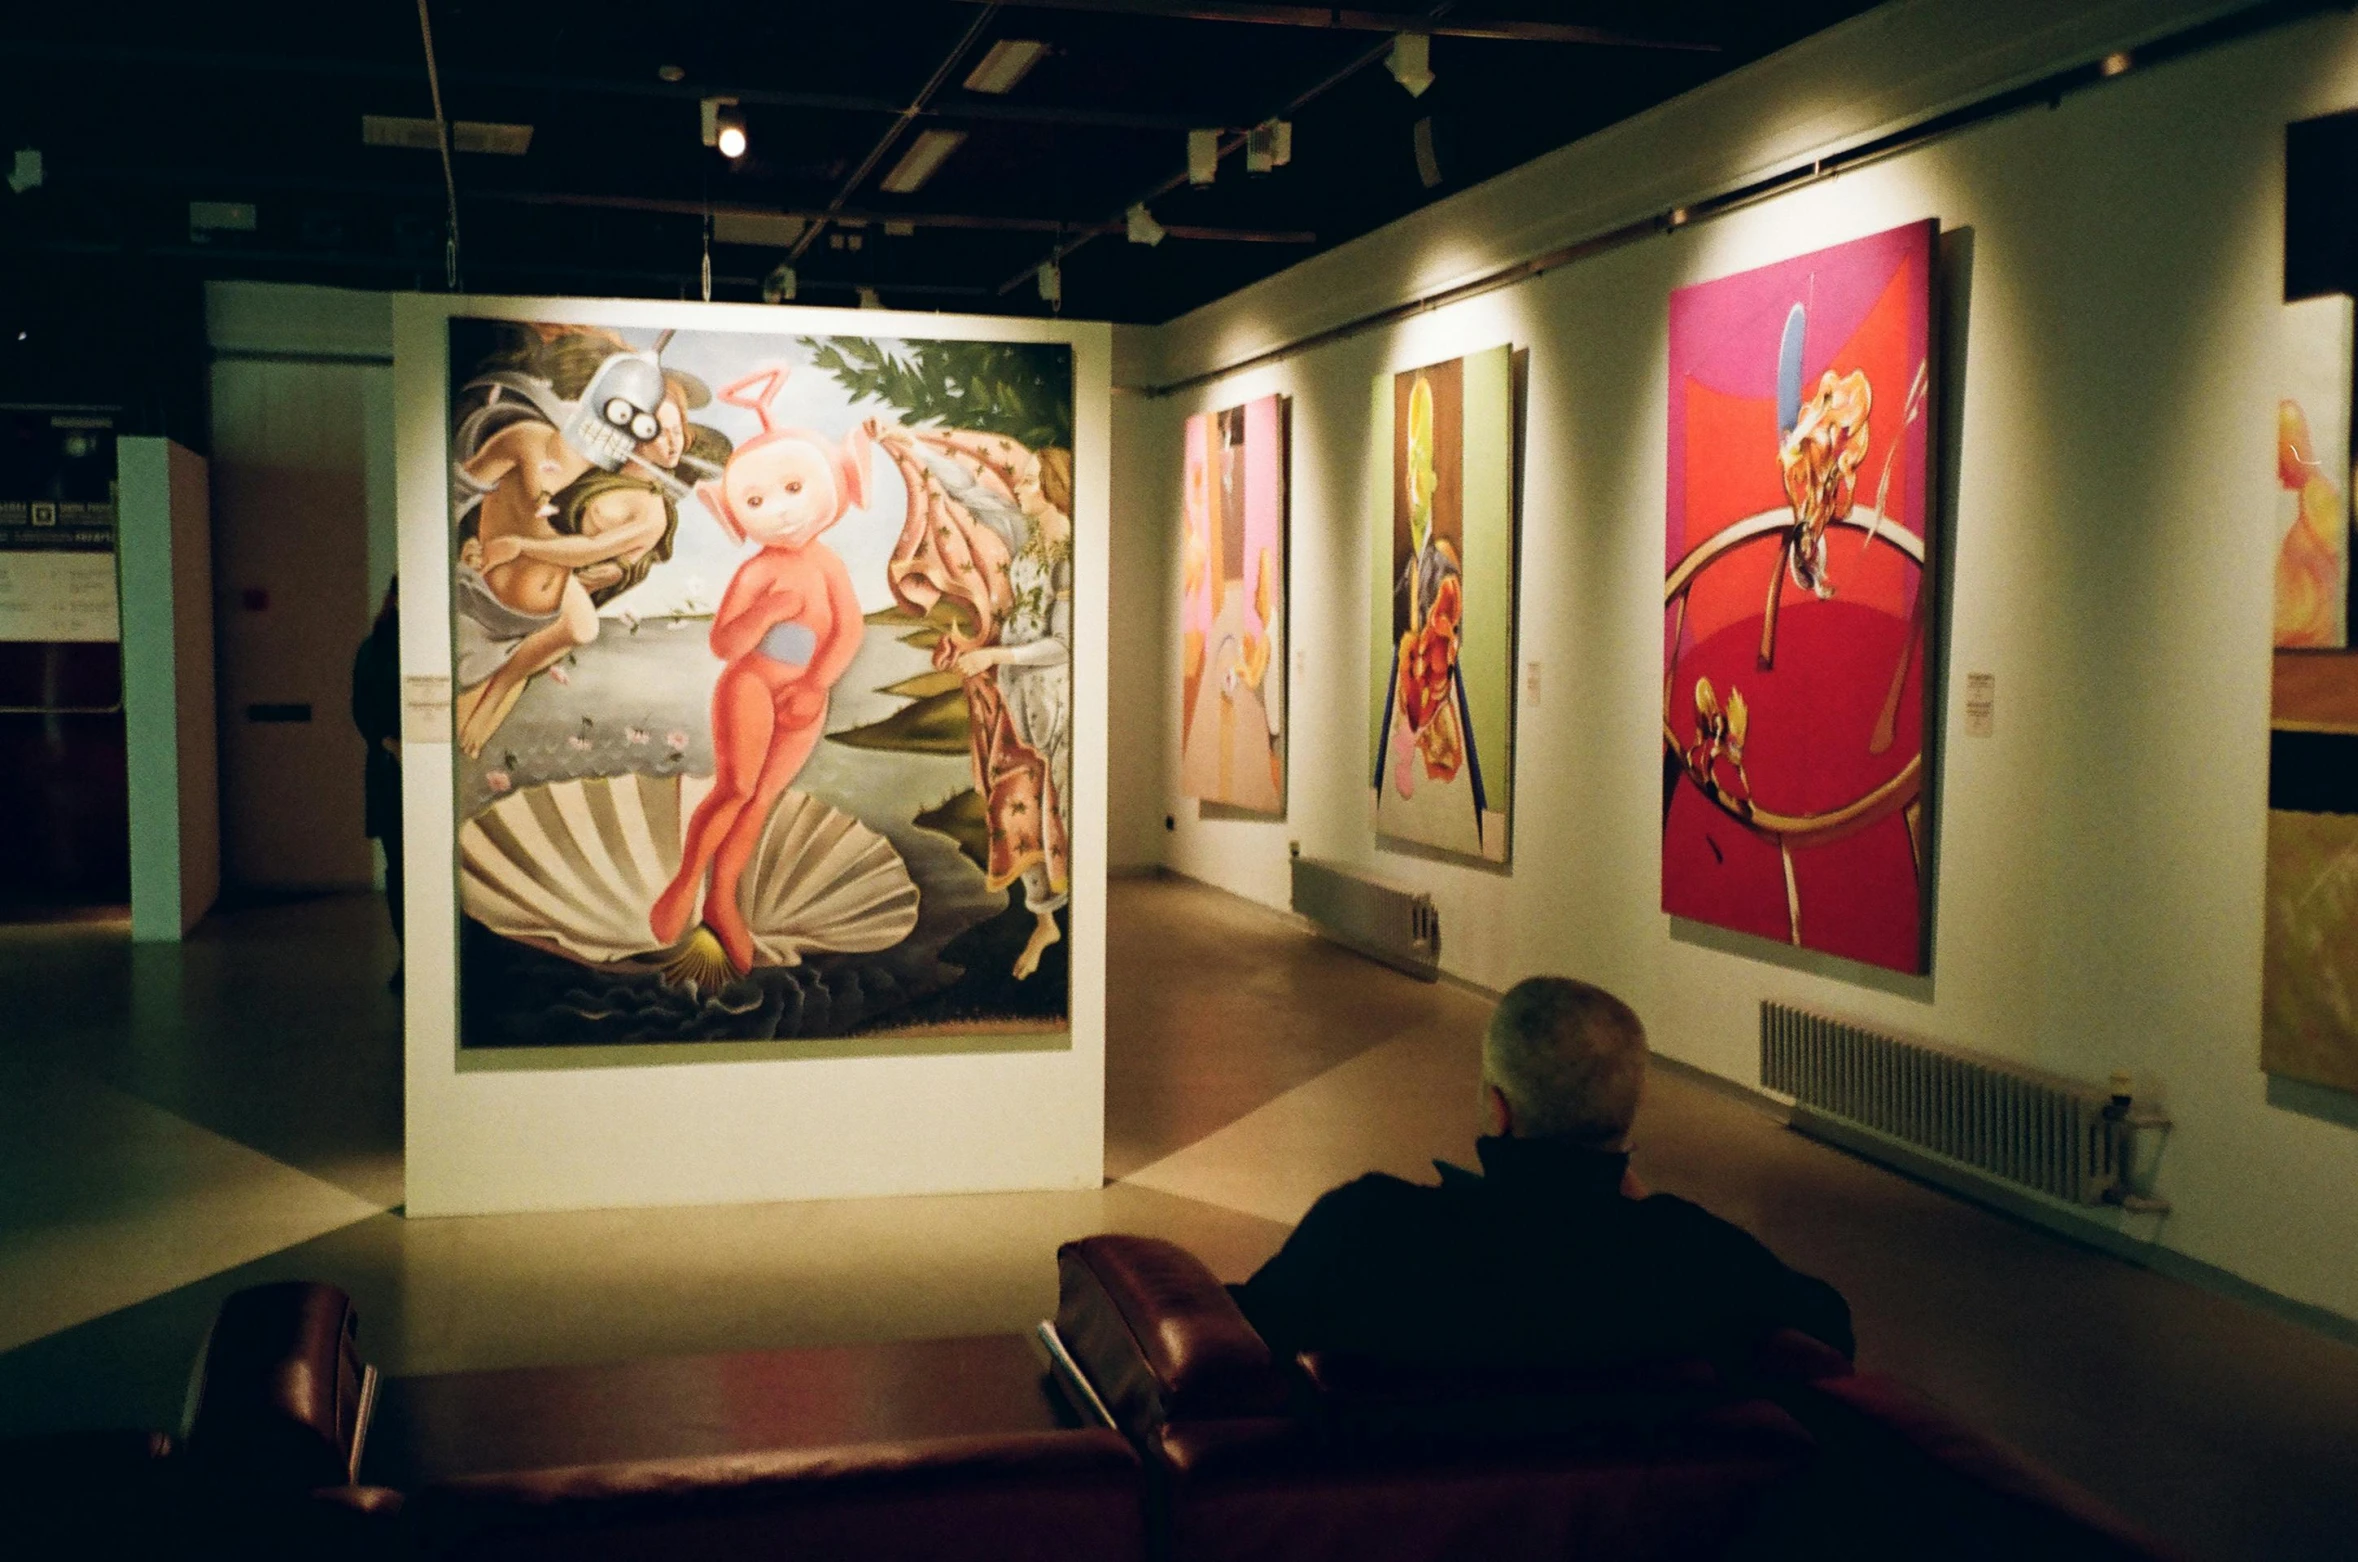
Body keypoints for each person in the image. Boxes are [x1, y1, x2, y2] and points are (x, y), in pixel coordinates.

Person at [1230, 976, 1853, 1370]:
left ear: (1498, 1111)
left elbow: (1245, 1337)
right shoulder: (1689, 1256)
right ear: (1624, 1122)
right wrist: (1646, 1213)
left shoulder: (1371, 1227)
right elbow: (1829, 1326)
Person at [878, 424, 1074, 981]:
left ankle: (1057, 923)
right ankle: (1044, 915)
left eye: (1035, 481)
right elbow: (969, 492)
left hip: (1051, 697)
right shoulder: (1024, 535)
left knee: (1051, 805)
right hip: (1014, 692)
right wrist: (910, 449)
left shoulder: (1067, 557)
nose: (1023, 488)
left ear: (1059, 489)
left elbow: (1064, 645)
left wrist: (993, 659)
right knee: (1011, 797)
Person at [350, 578, 403, 989]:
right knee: (401, 869)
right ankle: (411, 956)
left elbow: (362, 711)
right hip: (390, 768)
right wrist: (390, 741)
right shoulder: (375, 648)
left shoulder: (374, 647)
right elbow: (362, 710)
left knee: (401, 869)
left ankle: (414, 959)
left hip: (389, 764)